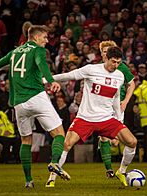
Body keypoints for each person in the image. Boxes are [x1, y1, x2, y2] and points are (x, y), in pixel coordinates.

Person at [0, 25, 70, 188]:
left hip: (19, 103)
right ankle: (55, 162)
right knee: (59, 133)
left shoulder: (14, 52)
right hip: (36, 97)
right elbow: (42, 64)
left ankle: (28, 181)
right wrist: (51, 80)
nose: (47, 41)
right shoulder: (38, 50)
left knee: (26, 140)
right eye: (45, 37)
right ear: (35, 37)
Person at [45, 46, 137, 187]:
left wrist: (120, 120)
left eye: (119, 62)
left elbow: (116, 100)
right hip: (85, 118)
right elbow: (68, 75)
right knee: (66, 144)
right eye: (113, 62)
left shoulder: (119, 76)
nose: (116, 65)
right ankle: (52, 178)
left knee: (132, 142)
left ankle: (122, 171)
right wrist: (46, 80)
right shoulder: (91, 69)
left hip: (107, 119)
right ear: (105, 58)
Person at [98, 40, 135, 178]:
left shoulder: (121, 67)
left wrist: (125, 101)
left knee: (115, 141)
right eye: (104, 51)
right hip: (103, 106)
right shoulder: (98, 68)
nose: (106, 53)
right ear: (102, 53)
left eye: (109, 51)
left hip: (118, 106)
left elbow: (132, 84)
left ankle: (122, 168)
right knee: (104, 138)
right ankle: (109, 170)